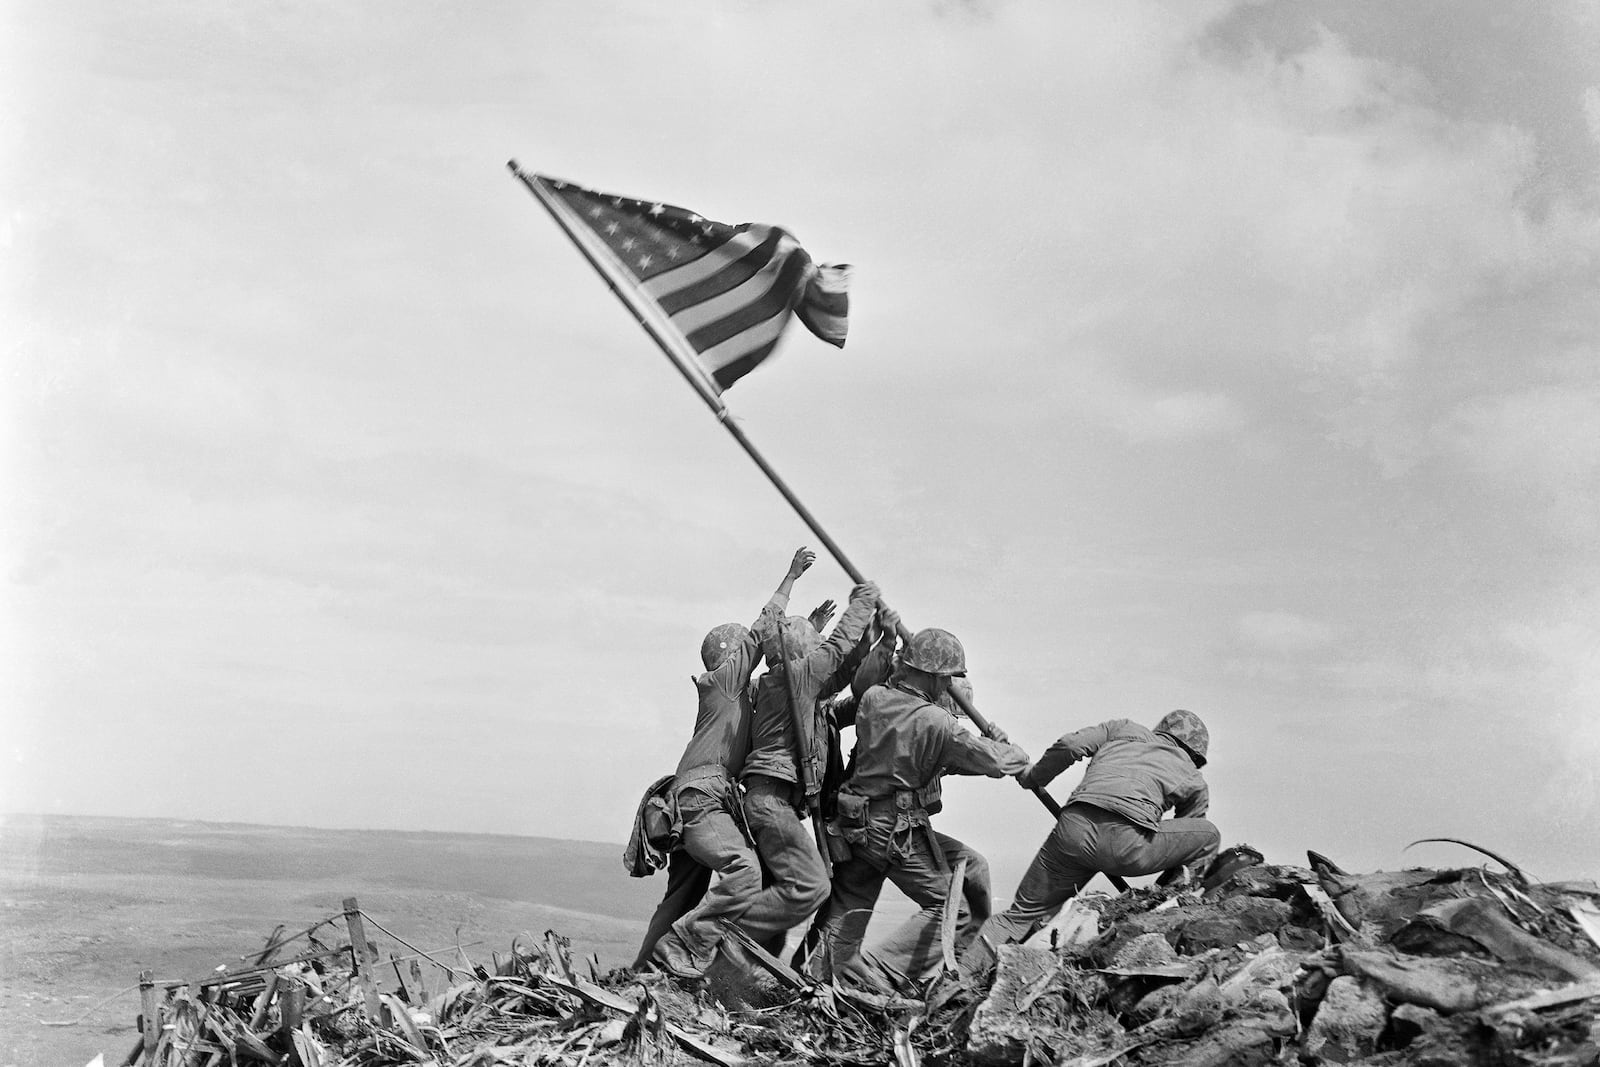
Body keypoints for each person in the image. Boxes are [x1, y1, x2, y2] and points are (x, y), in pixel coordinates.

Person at [805, 628, 1031, 987]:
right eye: (945, 680)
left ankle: (817, 978)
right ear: (932, 675)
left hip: (855, 823)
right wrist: (1011, 750)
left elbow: (928, 755)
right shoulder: (936, 722)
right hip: (893, 830)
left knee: (850, 905)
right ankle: (876, 975)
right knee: (953, 910)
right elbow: (993, 762)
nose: (946, 688)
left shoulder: (875, 699)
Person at [643, 547, 817, 978]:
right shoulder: (722, 684)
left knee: (682, 896)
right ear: (731, 656)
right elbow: (762, 632)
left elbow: (783, 674)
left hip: (693, 801)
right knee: (744, 870)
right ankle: (687, 947)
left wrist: (808, 633)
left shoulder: (736, 696)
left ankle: (642, 972)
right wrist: (790, 578)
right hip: (702, 800)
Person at [962, 709, 1219, 975]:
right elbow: (1185, 840)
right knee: (1209, 835)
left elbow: (1070, 745)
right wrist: (1160, 891)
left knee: (1019, 915)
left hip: (1072, 831)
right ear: (1195, 754)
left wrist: (1034, 777)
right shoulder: (1193, 777)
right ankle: (1166, 905)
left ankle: (960, 977)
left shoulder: (1123, 729)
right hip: (1127, 846)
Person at [730, 579, 885, 960]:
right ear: (803, 653)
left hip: (774, 803)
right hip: (771, 803)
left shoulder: (790, 685)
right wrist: (863, 602)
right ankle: (724, 933)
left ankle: (734, 971)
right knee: (812, 887)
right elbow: (836, 651)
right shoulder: (794, 678)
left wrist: (876, 639)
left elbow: (842, 672)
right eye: (814, 647)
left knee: (781, 911)